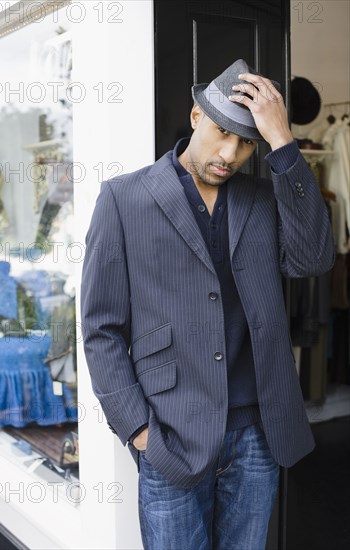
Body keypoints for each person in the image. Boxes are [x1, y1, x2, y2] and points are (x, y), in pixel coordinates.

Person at [81, 59, 334, 550]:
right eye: (222, 132)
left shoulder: (264, 198)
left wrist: (283, 143)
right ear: (196, 116)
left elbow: (312, 259)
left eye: (246, 142)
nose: (230, 153)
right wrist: (139, 432)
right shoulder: (123, 198)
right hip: (171, 433)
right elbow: (100, 328)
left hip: (258, 434)